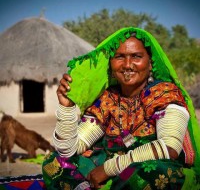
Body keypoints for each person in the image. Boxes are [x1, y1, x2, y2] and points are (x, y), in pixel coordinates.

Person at [42, 27, 200, 190]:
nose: (127, 65)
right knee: (54, 163)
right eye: (119, 57)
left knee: (151, 173)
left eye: (136, 56)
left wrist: (108, 168)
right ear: (111, 63)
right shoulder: (107, 99)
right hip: (107, 175)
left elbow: (170, 147)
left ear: (150, 63)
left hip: (141, 173)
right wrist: (66, 109)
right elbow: (69, 150)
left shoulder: (164, 94)